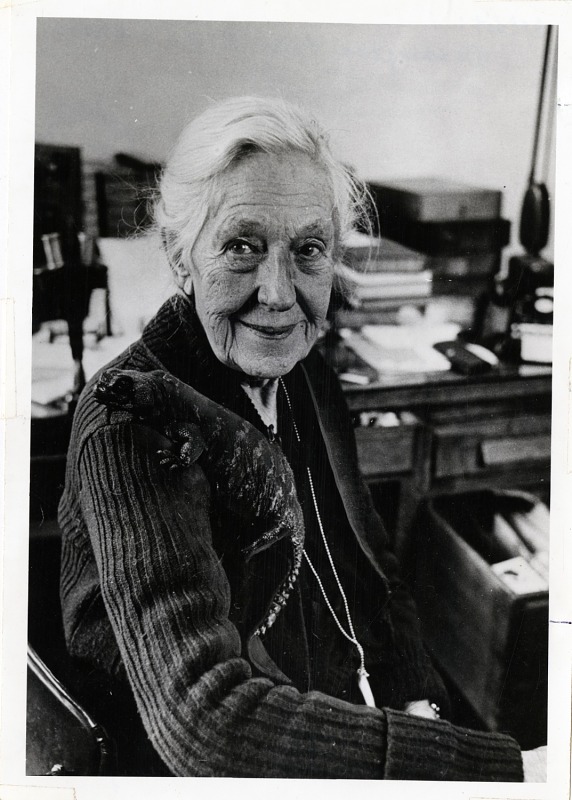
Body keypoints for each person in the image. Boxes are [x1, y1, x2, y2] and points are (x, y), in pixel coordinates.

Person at [58, 96, 545, 780]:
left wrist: (421, 705)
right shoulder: (133, 422)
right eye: (242, 246)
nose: (279, 293)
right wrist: (497, 772)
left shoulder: (306, 369)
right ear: (179, 255)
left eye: (308, 250)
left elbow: (375, 570)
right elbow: (207, 724)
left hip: (327, 714)